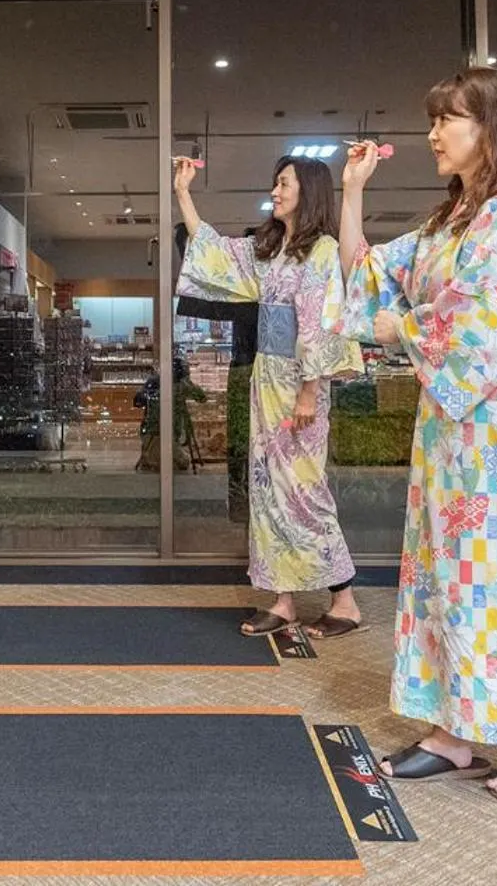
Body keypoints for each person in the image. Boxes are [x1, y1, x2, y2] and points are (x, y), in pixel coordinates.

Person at [334, 67, 497, 804]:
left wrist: (405, 329)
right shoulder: (451, 221)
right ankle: (452, 730)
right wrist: (352, 193)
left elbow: (480, 323)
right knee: (442, 570)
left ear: (494, 127)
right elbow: (367, 276)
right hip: (450, 421)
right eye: (434, 119)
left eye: (449, 118)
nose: (434, 134)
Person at [175, 154, 365, 638]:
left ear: (308, 191)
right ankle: (283, 600)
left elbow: (321, 323)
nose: (275, 192)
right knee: (267, 492)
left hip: (299, 384)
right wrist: (183, 194)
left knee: (304, 492)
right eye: (276, 183)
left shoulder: (322, 250)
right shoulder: (274, 249)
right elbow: (216, 253)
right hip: (268, 380)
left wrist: (309, 392)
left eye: (283, 184)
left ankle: (344, 599)